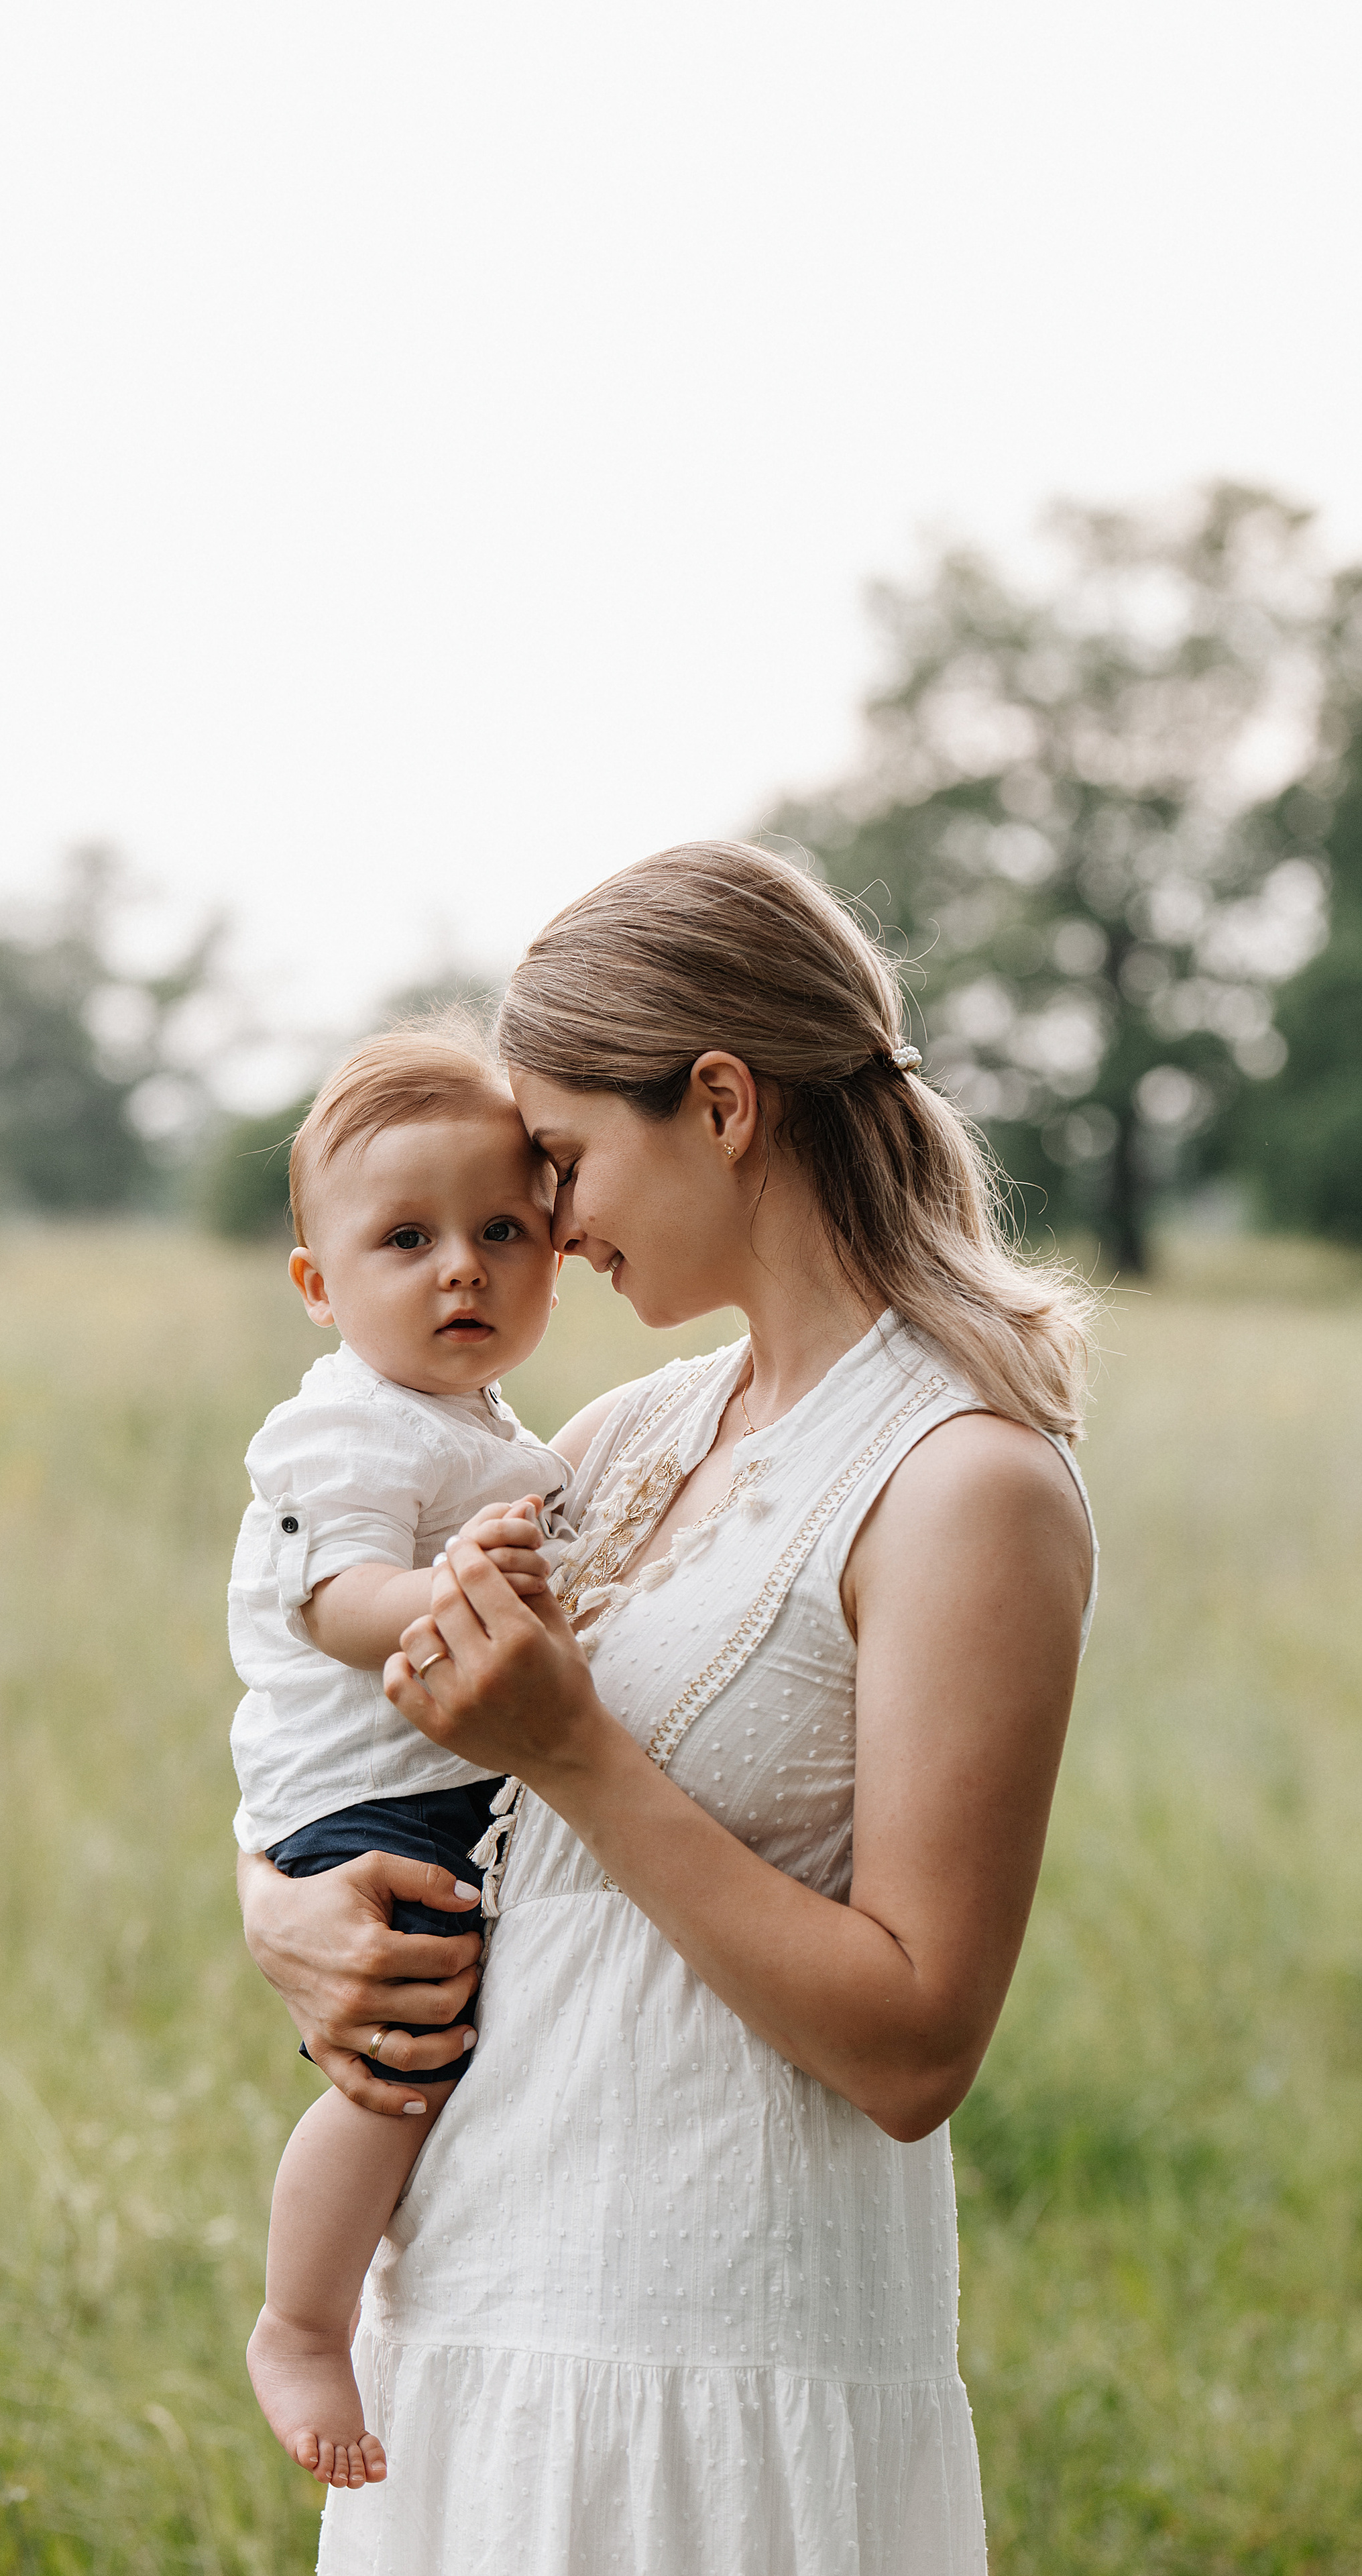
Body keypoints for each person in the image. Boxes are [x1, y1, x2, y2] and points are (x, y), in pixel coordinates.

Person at [239, 842, 1098, 2575]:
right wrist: (282, 1910)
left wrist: (572, 1747)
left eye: (558, 1160)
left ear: (720, 1102)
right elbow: (396, 1737)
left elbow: (917, 2044)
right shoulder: (618, 1440)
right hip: (469, 2328)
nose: (546, 1224)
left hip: (719, 2373)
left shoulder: (962, 1485)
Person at [231, 1029, 572, 2488]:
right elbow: (332, 1602)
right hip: (367, 1806)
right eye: (407, 1239)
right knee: (399, 2075)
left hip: (437, 1783)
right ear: (319, 1286)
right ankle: (301, 2322)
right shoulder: (344, 1430)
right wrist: (454, 1598)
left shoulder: (482, 1422)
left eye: (503, 1230)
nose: (463, 1269)